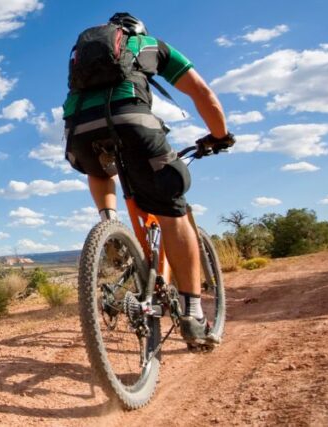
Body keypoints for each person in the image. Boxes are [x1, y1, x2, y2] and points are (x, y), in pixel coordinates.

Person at [63, 12, 234, 347]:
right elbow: (202, 93)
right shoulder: (151, 45)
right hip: (133, 122)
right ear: (138, 31)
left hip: (78, 130)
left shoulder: (82, 54)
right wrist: (220, 135)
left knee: (99, 168)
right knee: (173, 210)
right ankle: (193, 314)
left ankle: (109, 224)